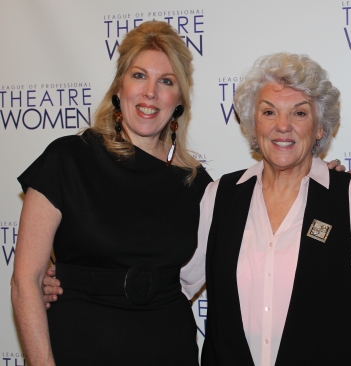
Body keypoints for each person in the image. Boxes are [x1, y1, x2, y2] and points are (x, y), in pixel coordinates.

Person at [11, 20, 213, 365]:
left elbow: (264, 212)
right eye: (139, 75)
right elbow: (25, 281)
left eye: (166, 81)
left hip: (169, 349)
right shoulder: (68, 159)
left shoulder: (198, 186)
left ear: (178, 100)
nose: (150, 92)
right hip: (76, 348)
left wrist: (317, 174)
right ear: (119, 87)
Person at [179, 52, 351, 365]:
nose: (283, 126)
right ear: (253, 126)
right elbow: (180, 285)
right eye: (269, 112)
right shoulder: (220, 196)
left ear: (319, 128)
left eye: (299, 113)